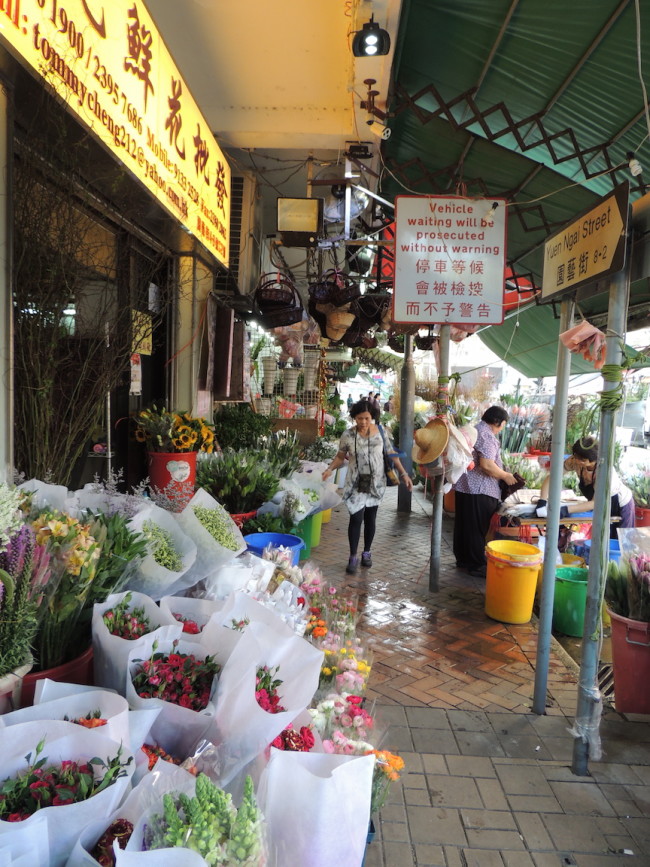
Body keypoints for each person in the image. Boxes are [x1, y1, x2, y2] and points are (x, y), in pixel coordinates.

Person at [322, 399, 413, 574]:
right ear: (354, 417)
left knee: (371, 517)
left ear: (372, 417)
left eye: (367, 418)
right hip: (355, 482)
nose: (363, 422)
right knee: (356, 519)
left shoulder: (380, 432)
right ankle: (352, 556)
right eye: (359, 418)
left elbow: (391, 454)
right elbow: (340, 457)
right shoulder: (347, 435)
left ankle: (367, 552)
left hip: (376, 483)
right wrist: (329, 469)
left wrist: (404, 474)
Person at [453, 405, 517, 578]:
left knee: (464, 525)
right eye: (504, 424)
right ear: (500, 422)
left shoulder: (475, 429)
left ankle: (464, 559)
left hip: (465, 486)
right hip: (480, 489)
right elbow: (487, 465)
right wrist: (506, 476)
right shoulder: (487, 435)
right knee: (476, 527)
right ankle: (476, 565)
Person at [538, 437, 635, 539]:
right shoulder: (574, 461)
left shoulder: (603, 472)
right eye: (575, 457)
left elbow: (594, 503)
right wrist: (542, 501)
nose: (577, 461)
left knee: (621, 541)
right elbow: (553, 476)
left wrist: (565, 510)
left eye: (582, 460)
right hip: (600, 505)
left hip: (619, 504)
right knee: (600, 538)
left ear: (591, 460)